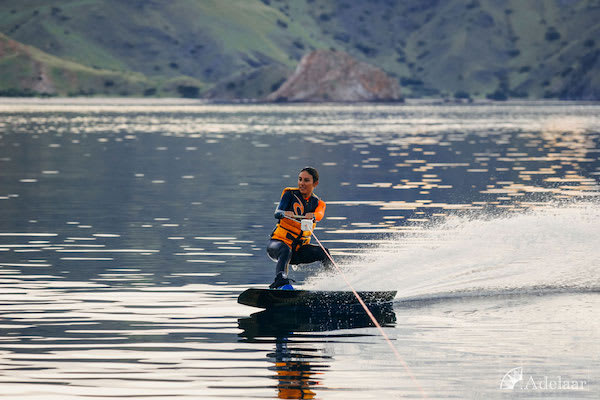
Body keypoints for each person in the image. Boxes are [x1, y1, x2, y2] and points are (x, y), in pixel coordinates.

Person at [267, 167, 332, 289]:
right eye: (300, 179)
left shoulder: (319, 204)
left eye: (306, 180)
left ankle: (334, 282)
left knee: (324, 252)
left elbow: (319, 215)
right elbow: (277, 212)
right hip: (277, 245)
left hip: (298, 251)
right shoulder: (289, 195)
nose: (302, 183)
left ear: (315, 183)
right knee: (286, 250)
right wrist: (285, 213)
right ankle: (281, 282)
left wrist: (312, 215)